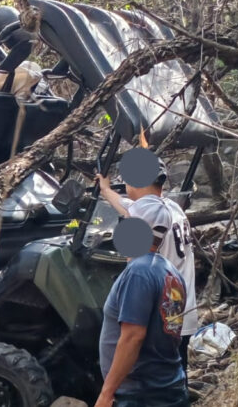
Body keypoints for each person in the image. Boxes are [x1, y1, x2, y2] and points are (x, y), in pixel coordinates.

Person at [96, 157, 198, 381]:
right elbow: (126, 207)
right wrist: (105, 189)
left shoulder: (145, 215)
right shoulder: (169, 207)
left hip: (165, 319)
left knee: (153, 382)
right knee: (175, 378)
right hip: (184, 312)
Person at [95, 206, 189, 407]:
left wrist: (106, 393)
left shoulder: (139, 272)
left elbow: (133, 337)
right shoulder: (170, 271)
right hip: (169, 387)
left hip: (141, 395)